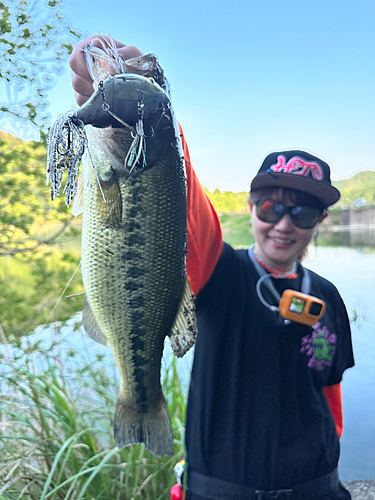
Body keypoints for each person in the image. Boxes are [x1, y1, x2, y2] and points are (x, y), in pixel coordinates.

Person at [69, 35, 354, 500]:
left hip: (317, 489)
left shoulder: (327, 296)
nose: (283, 224)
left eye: (301, 212)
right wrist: (144, 111)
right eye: (269, 207)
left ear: (320, 221)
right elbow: (179, 206)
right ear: (251, 206)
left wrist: (331, 454)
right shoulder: (221, 273)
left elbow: (327, 385)